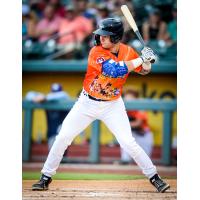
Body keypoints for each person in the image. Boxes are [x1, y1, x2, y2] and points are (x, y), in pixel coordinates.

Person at [32, 18, 170, 193]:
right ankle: (45, 177)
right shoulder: (96, 52)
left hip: (113, 105)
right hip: (86, 103)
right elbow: (114, 70)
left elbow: (143, 70)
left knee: (128, 142)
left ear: (116, 37)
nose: (101, 38)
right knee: (63, 137)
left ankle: (154, 177)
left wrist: (148, 61)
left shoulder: (128, 52)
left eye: (105, 36)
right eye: (101, 35)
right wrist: (141, 58)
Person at [25, 83, 70, 150]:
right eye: (54, 93)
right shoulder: (46, 101)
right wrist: (35, 98)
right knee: (54, 156)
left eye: (57, 93)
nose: (55, 95)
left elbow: (64, 95)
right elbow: (28, 94)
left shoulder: (63, 98)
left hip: (63, 135)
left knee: (61, 156)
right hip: (51, 135)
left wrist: (45, 97)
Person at [120, 88, 154, 164]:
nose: (128, 99)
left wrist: (121, 125)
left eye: (130, 98)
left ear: (135, 98)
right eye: (126, 97)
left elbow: (138, 123)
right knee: (125, 159)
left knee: (145, 161)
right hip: (131, 134)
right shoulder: (122, 106)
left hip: (143, 135)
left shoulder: (140, 106)